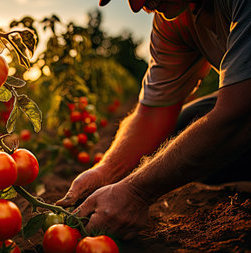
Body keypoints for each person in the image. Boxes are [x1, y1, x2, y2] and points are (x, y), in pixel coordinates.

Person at [56, 0, 251, 240]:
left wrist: (136, 192)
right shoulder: (173, 21)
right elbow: (153, 114)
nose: (136, 7)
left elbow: (240, 113)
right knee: (180, 133)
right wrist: (106, 172)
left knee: (207, 140)